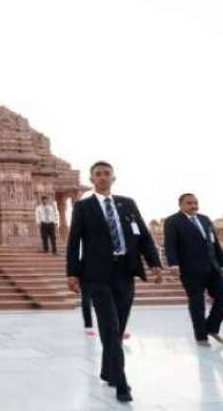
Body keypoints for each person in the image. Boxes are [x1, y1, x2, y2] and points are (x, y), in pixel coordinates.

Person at [66, 161, 163, 403]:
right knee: (109, 326)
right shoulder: (83, 207)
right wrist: (72, 272)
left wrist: (155, 264)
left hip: (125, 271)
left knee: (117, 327)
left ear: (113, 178)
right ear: (92, 180)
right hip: (96, 274)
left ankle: (107, 369)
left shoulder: (127, 204)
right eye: (98, 174)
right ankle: (121, 383)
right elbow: (74, 242)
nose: (102, 177)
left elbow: (143, 235)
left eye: (106, 173)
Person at [164, 193, 223, 346]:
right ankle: (201, 337)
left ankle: (211, 327)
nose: (193, 206)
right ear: (180, 205)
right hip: (190, 270)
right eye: (189, 203)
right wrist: (173, 264)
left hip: (212, 268)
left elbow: (215, 244)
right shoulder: (173, 221)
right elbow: (170, 245)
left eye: (195, 203)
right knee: (197, 303)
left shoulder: (205, 219)